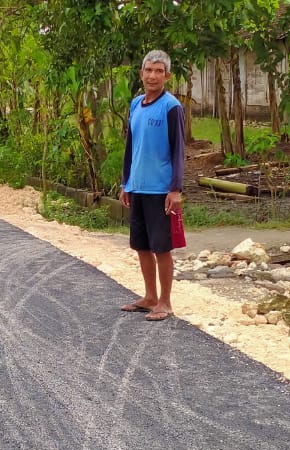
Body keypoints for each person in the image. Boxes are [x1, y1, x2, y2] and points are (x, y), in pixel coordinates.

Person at [119, 50, 185, 322]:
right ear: (141, 73)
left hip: (160, 190)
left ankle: (165, 303)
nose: (152, 76)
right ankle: (149, 297)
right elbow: (130, 147)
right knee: (141, 245)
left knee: (161, 247)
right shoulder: (136, 104)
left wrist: (175, 189)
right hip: (137, 186)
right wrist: (125, 182)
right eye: (148, 70)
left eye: (159, 71)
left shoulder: (171, 107)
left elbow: (179, 150)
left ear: (167, 76)